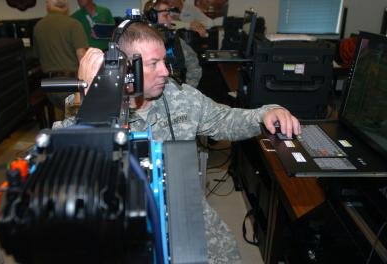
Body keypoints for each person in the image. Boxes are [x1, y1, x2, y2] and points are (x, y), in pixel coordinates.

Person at [59, 22, 301, 263]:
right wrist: (93, 104)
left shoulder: (179, 96)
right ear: (126, 67)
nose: (165, 71)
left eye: (164, 61)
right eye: (154, 64)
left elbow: (226, 119)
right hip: (120, 220)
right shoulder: (85, 104)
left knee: (227, 256)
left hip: (183, 208)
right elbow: (63, 166)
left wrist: (266, 113)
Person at [33, 0, 88, 119]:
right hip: (71, 85)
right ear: (66, 6)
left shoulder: (38, 26)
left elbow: (37, 56)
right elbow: (83, 58)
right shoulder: (73, 24)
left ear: (48, 4)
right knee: (77, 122)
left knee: (62, 121)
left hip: (50, 87)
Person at [144, 0, 202, 87]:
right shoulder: (141, 43)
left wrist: (188, 90)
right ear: (152, 17)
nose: (170, 19)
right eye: (166, 15)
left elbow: (194, 66)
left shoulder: (175, 40)